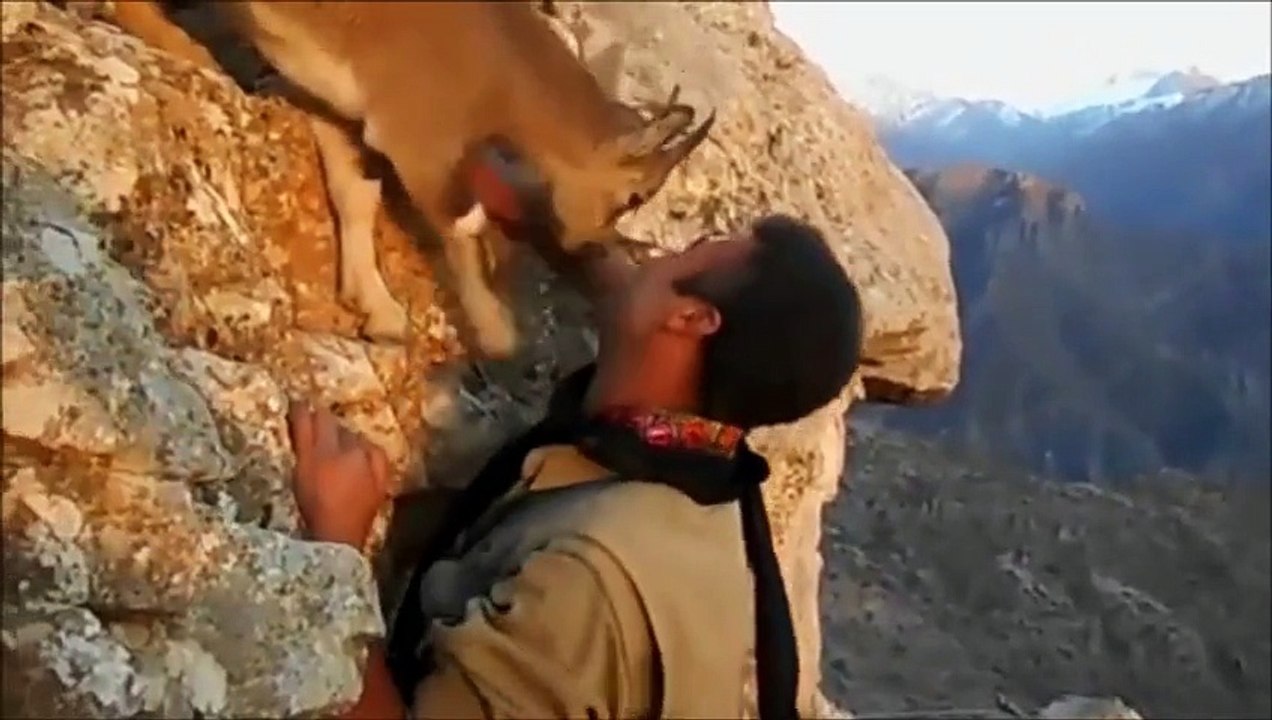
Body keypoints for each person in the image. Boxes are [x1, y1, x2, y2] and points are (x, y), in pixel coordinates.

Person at [287, 211, 864, 719]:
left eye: (695, 248)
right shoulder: (709, 476)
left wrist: (339, 551)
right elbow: (629, 299)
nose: (660, 256)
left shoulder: (584, 578)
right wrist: (552, 218)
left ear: (691, 319)